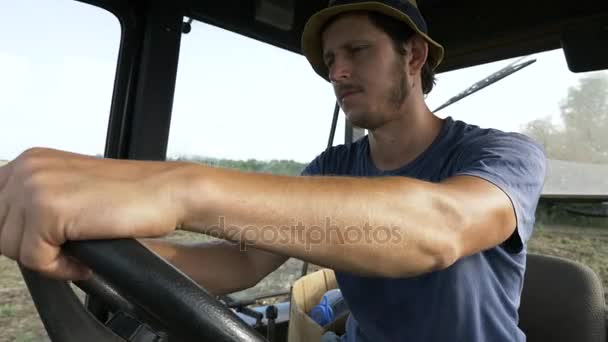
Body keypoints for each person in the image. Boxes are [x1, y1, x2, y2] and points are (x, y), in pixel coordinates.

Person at [0, 0, 546, 341]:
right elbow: (243, 263)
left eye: (357, 50)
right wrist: (95, 254)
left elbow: (439, 228)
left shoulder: (501, 156)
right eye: (330, 61)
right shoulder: (333, 168)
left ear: (414, 56)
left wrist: (182, 188)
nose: (339, 72)